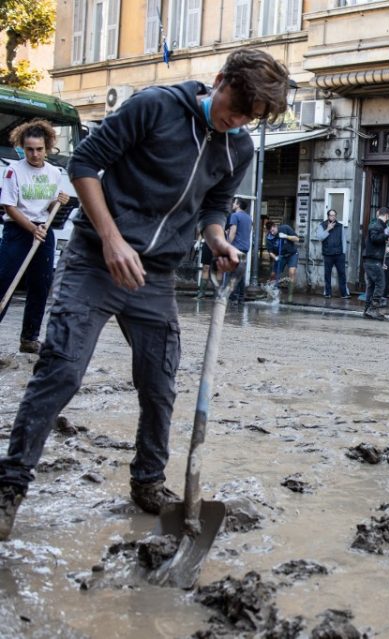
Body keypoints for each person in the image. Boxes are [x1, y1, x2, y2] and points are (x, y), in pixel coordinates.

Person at [0, 48, 290, 541]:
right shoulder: (153, 106)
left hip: (154, 276)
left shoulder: (237, 147)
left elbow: (214, 205)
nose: (236, 122)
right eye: (235, 108)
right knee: (62, 371)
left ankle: (148, 481)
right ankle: (9, 488)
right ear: (218, 81)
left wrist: (217, 238)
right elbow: (86, 164)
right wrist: (112, 239)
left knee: (159, 385)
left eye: (249, 118)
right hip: (97, 260)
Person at [0, 119, 70, 353]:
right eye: (29, 149)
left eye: (39, 149)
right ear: (22, 147)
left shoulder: (54, 172)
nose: (34, 154)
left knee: (41, 285)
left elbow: (48, 208)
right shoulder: (13, 171)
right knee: (5, 282)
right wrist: (32, 229)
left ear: (47, 147)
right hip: (18, 231)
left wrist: (57, 203)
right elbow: (9, 206)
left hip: (43, 230)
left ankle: (29, 338)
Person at [362, 207, 389, 320]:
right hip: (373, 260)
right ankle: (372, 309)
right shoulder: (377, 226)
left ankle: (367, 310)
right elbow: (374, 238)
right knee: (380, 284)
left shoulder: (377, 226)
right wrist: (385, 236)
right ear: (387, 215)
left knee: (371, 286)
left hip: (373, 260)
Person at [317, 209, 349, 298]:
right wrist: (328, 229)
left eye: (334, 215)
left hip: (339, 254)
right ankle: (328, 293)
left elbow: (343, 240)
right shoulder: (322, 225)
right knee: (327, 274)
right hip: (327, 254)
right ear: (328, 216)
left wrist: (343, 252)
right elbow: (320, 238)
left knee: (342, 273)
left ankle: (344, 293)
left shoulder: (340, 226)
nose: (333, 217)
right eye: (331, 215)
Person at [226, 197, 252, 303]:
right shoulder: (248, 217)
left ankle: (233, 297)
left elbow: (232, 232)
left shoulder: (235, 216)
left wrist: (226, 245)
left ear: (238, 205)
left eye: (234, 202)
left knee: (233, 273)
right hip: (245, 248)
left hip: (236, 247)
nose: (232, 204)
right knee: (240, 272)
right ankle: (241, 297)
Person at [265, 220, 299, 289]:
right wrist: (276, 258)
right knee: (273, 274)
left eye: (273, 230)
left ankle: (290, 293)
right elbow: (270, 252)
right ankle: (271, 289)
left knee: (292, 272)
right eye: (270, 231)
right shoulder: (269, 237)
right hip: (281, 256)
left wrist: (286, 236)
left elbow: (297, 239)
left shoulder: (285, 228)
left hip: (292, 254)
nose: (272, 232)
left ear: (275, 226)